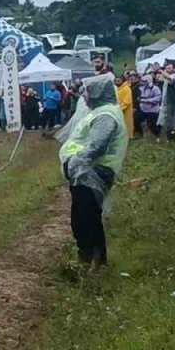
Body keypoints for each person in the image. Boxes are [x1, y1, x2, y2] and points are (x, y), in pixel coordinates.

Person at [59, 73, 127, 270]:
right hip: (85, 173)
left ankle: (93, 261)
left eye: (88, 91)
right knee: (83, 216)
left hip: (92, 173)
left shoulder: (106, 116)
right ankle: (90, 259)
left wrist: (76, 162)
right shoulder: (101, 112)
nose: (85, 96)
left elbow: (97, 146)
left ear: (98, 92)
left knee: (86, 217)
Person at [157, 64, 175, 141]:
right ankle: (168, 137)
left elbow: (170, 79)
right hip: (165, 101)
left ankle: (172, 139)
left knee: (170, 121)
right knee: (164, 120)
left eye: (169, 68)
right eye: (166, 68)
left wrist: (161, 71)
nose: (168, 70)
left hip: (172, 101)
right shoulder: (167, 77)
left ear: (173, 69)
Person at [114, 74, 135, 139]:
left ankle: (128, 137)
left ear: (122, 81)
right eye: (116, 81)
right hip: (118, 109)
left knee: (126, 124)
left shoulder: (126, 88)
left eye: (118, 81)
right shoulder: (118, 88)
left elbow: (127, 101)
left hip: (125, 110)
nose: (117, 82)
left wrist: (120, 108)